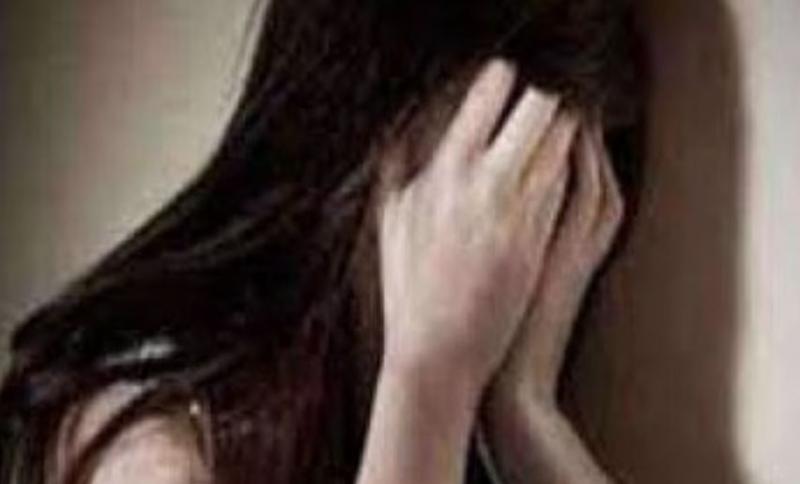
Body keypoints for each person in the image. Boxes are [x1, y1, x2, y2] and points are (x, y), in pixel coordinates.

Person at [0, 0, 644, 483]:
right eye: (501, 170)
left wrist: (527, 413)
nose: (520, 240)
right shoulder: (148, 445)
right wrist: (431, 378)